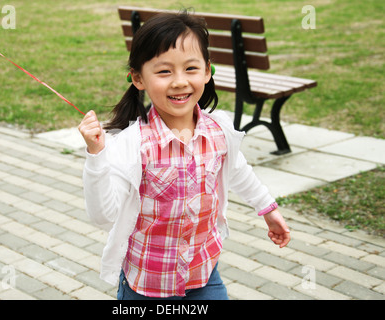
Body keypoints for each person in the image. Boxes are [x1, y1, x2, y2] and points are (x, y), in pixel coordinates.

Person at [78, 11, 290, 300]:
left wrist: (267, 208)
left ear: (207, 71)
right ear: (138, 78)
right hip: (147, 284)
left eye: (190, 68)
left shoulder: (218, 130)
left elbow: (238, 170)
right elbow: (104, 216)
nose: (179, 82)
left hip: (204, 275)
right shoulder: (131, 146)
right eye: (164, 71)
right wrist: (96, 156)